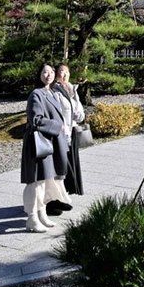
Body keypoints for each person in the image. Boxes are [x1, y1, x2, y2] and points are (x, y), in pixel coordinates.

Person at [20, 63, 71, 232]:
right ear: (39, 74)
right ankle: (32, 218)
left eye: (51, 72)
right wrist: (57, 126)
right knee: (35, 182)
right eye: (44, 72)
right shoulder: (36, 94)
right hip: (37, 144)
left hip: (46, 143)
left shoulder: (49, 92)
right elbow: (36, 119)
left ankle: (41, 214)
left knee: (44, 180)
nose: (48, 75)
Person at [52, 63, 85, 201]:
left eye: (66, 72)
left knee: (72, 160)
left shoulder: (72, 89)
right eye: (61, 72)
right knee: (63, 163)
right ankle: (58, 194)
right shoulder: (54, 91)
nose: (64, 75)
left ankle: (68, 191)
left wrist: (79, 114)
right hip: (61, 132)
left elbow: (79, 111)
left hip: (72, 130)